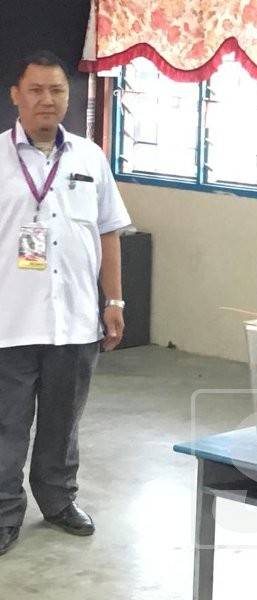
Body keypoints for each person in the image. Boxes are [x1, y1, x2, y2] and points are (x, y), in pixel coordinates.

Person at [0, 51, 131, 556]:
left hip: (75, 322)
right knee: (7, 425)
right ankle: (5, 513)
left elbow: (110, 233)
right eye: (35, 90)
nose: (47, 100)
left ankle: (57, 501)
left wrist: (114, 299)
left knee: (62, 423)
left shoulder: (89, 158)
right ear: (16, 95)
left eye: (56, 90)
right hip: (10, 322)